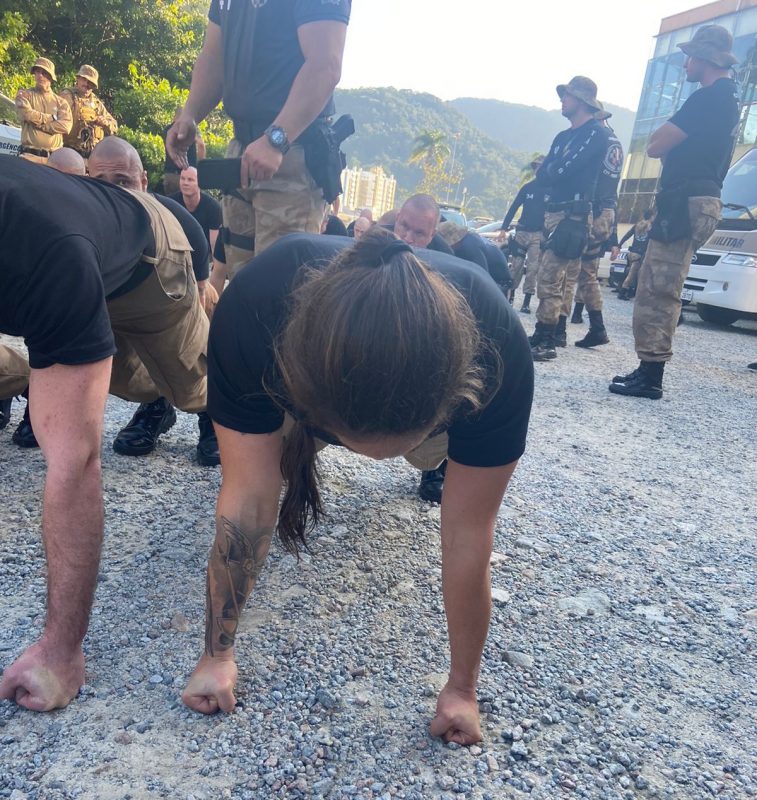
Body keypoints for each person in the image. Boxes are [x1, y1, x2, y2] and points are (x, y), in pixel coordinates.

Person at [180, 228, 534, 747]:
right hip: (305, 384)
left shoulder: (498, 349)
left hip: (433, 415)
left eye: (390, 447)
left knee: (443, 479)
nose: (372, 461)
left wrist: (463, 689)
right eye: (359, 444)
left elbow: (468, 534)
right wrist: (216, 655)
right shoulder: (256, 307)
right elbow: (248, 502)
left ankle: (428, 455)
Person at [0, 156, 210, 711]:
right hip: (77, 255)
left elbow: (77, 463)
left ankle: (229, 415)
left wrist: (59, 651)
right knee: (94, 379)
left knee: (186, 387)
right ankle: (55, 380)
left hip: (151, 257)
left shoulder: (41, 252)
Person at [166, 0, 351, 277]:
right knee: (241, 283)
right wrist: (190, 115)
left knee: (281, 289)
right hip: (242, 147)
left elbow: (326, 65)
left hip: (292, 151)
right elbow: (214, 57)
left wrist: (277, 138)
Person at [610, 26, 739, 399]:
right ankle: (648, 368)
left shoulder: (708, 98)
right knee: (659, 281)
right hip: (700, 200)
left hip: (686, 201)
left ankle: (651, 374)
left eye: (691, 57)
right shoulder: (727, 99)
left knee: (659, 286)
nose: (685, 64)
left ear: (705, 58)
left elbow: (655, 145)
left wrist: (666, 146)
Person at [529, 76, 609, 361]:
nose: (562, 100)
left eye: (567, 96)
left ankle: (547, 337)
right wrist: (552, 172)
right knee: (547, 275)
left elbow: (561, 170)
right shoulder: (564, 137)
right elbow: (545, 173)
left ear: (583, 101)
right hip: (555, 213)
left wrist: (552, 172)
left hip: (573, 216)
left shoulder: (594, 134)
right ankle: (544, 333)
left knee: (552, 277)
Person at [561, 106, 624, 349]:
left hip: (591, 209)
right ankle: (597, 327)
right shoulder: (615, 142)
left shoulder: (595, 138)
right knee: (587, 273)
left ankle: (557, 329)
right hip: (606, 211)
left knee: (568, 269)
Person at [499, 158, 546, 313]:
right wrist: (504, 228)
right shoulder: (528, 188)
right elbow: (514, 207)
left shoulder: (551, 190)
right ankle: (510, 297)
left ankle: (526, 302)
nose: (538, 169)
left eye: (541, 166)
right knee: (516, 266)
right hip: (522, 232)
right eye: (536, 167)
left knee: (533, 268)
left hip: (538, 234)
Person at [14, 57, 72, 164]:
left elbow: (66, 126)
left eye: (44, 72)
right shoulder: (24, 94)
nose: (40, 75)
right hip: (29, 156)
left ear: (51, 77)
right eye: (37, 72)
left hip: (53, 159)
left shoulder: (61, 102)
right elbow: (26, 115)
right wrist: (51, 118)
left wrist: (43, 126)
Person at [60, 65, 118, 158]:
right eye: (84, 80)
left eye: (91, 83)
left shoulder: (96, 103)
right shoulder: (67, 96)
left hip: (92, 155)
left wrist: (105, 123)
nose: (87, 84)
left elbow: (114, 126)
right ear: (78, 78)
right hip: (70, 152)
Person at [438, 221, 513, 292]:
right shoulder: (469, 239)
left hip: (499, 283)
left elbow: (482, 275)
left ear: (455, 240)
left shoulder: (469, 246)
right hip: (495, 280)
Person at [172, 166, 223, 256]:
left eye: (190, 180)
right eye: (182, 179)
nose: (185, 183)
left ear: (200, 183)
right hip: (179, 253)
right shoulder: (171, 203)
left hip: (206, 255)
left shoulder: (213, 207)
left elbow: (214, 244)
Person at [162, 107, 205, 196]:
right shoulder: (189, 127)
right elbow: (201, 145)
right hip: (188, 174)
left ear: (174, 116)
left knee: (171, 207)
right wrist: (200, 167)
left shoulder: (167, 130)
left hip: (170, 175)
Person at [616, 210, 654, 300]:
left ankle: (629, 291)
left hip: (632, 253)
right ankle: (622, 292)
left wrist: (619, 245)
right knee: (633, 275)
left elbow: (627, 235)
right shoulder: (650, 227)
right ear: (651, 216)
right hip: (640, 254)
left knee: (632, 273)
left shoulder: (637, 225)